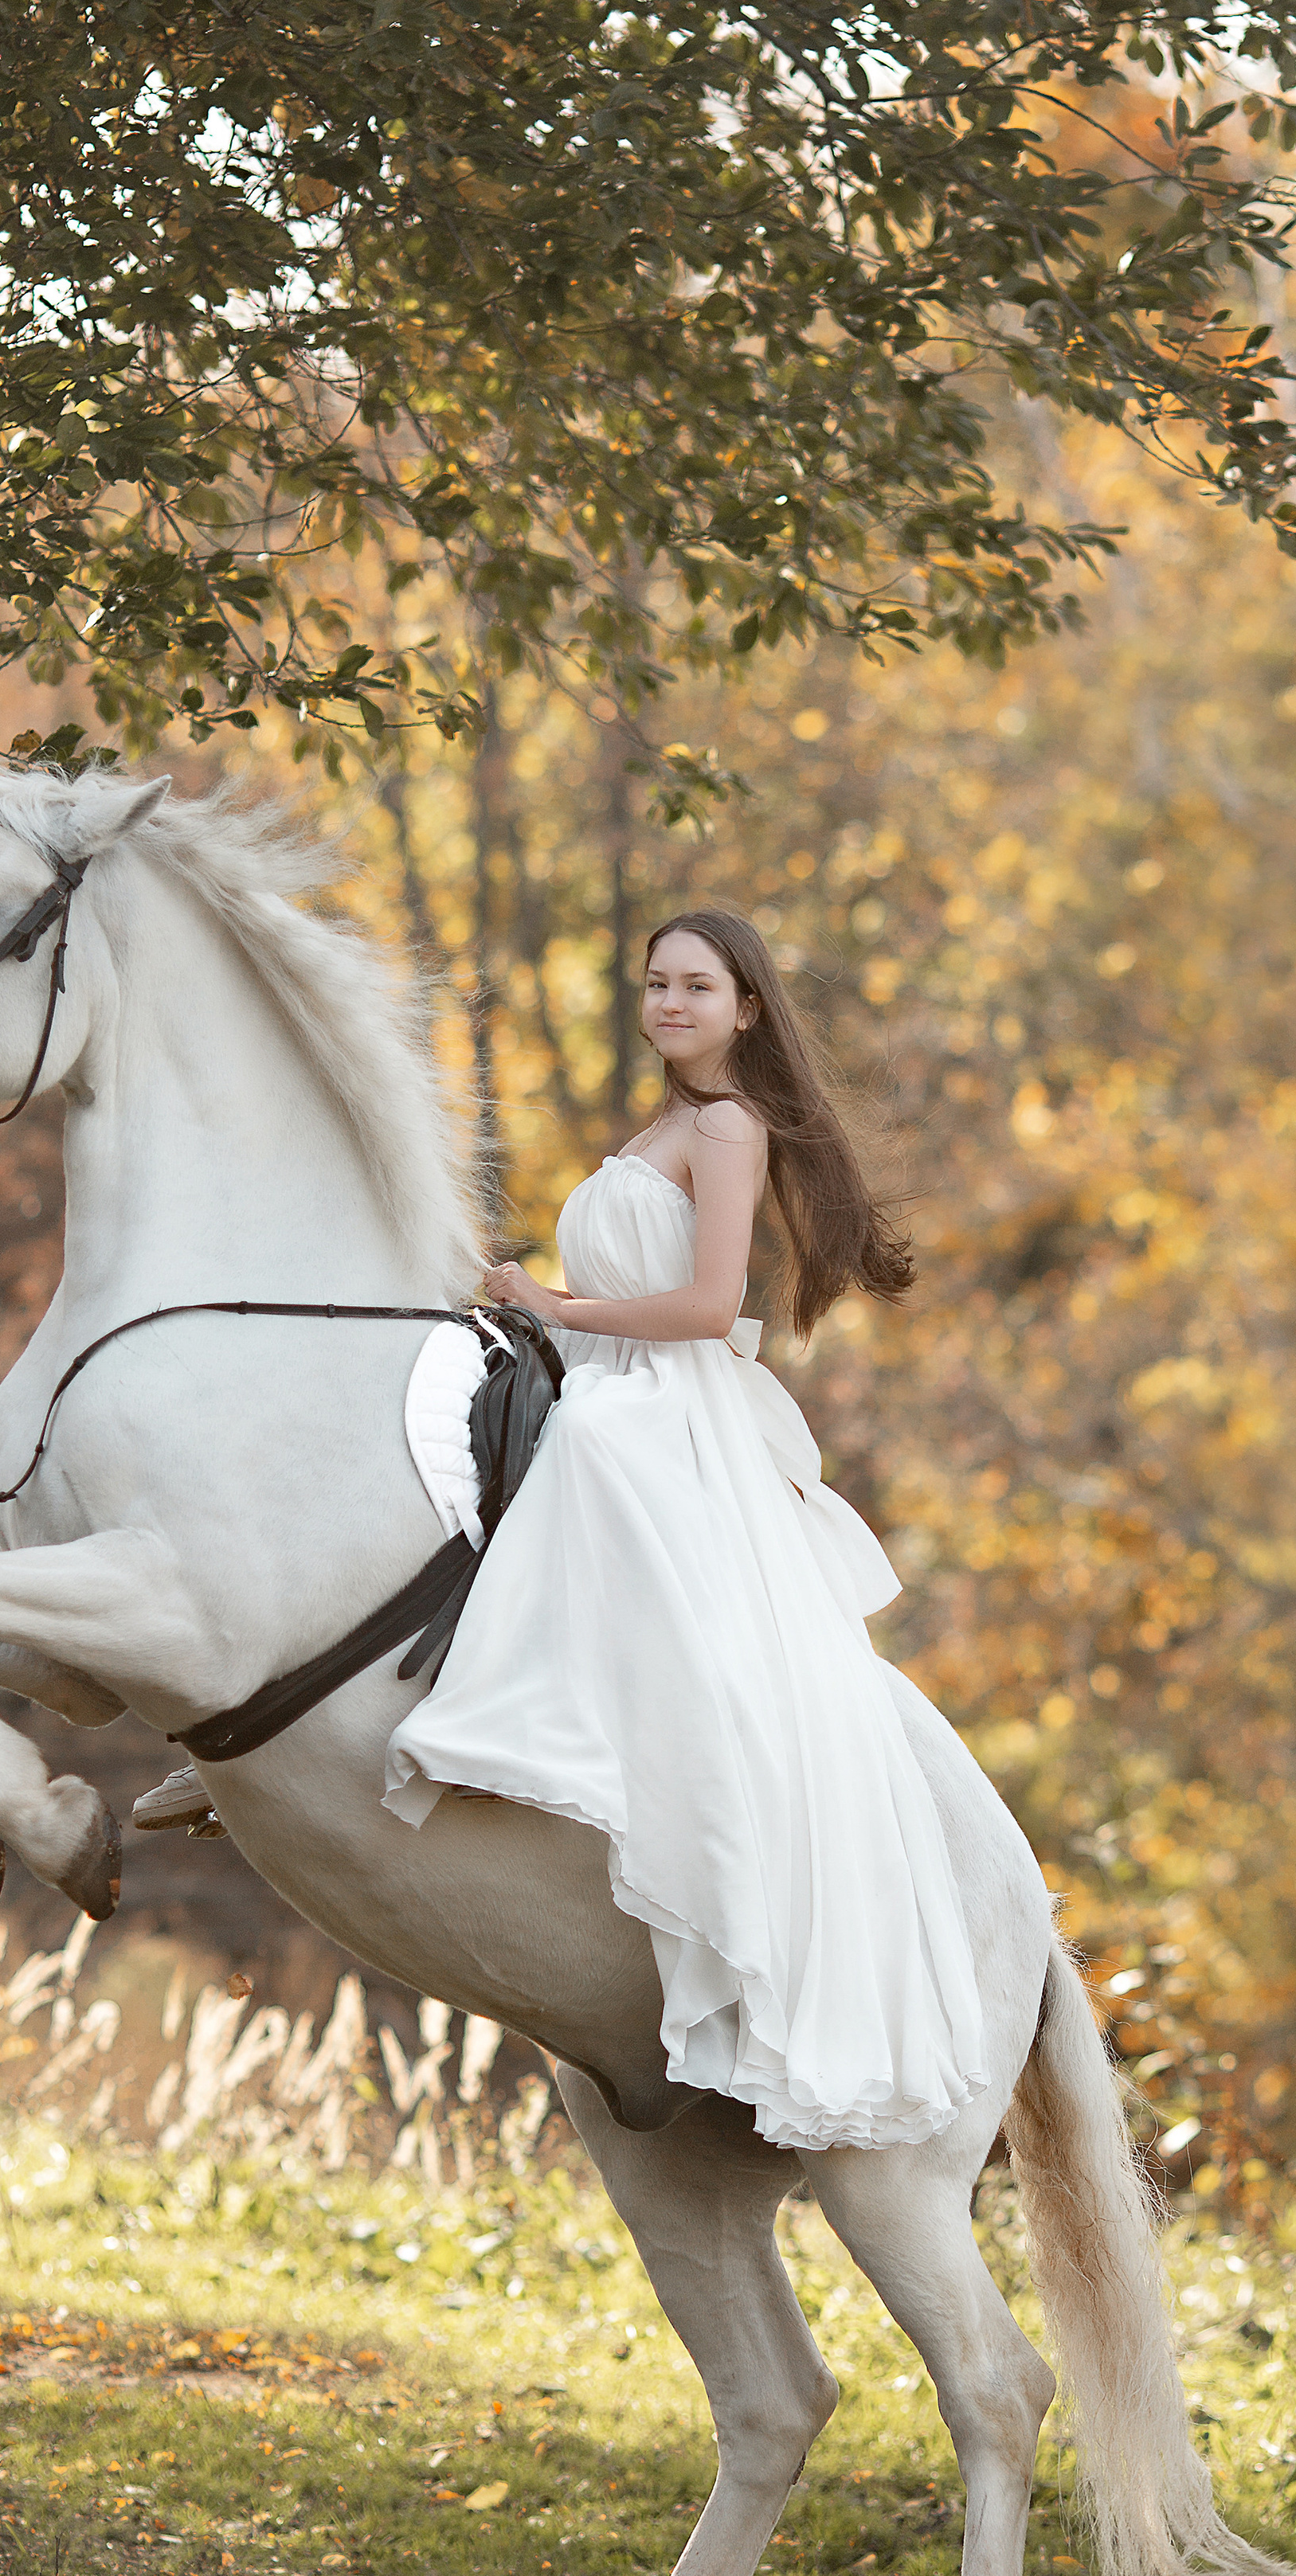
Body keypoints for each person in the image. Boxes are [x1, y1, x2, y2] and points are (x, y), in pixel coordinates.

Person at [384, 907, 986, 2152]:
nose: (669, 1003)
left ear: (746, 1007)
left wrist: (559, 1300)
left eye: (697, 986)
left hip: (667, 1398)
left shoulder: (726, 1126)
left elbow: (713, 1304)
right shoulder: (661, 1123)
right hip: (604, 1368)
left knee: (592, 1457)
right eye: (657, 982)